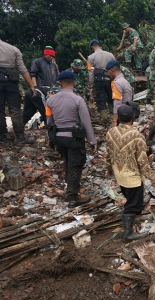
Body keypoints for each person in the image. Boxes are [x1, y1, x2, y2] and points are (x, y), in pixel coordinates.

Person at [105, 104, 155, 242]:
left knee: (132, 197)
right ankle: (128, 233)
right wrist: (152, 178)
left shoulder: (111, 132)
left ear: (118, 117)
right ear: (133, 117)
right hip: (132, 177)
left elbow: (108, 155)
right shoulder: (137, 136)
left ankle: (137, 207)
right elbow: (142, 161)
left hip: (119, 173)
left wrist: (109, 170)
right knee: (131, 205)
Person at [46, 71, 97, 208]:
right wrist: (92, 141)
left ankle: (69, 188)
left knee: (68, 162)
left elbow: (49, 122)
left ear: (60, 83)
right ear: (74, 82)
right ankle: (73, 197)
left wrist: (50, 139)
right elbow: (86, 122)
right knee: (76, 165)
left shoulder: (51, 100)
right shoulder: (78, 100)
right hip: (74, 138)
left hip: (59, 138)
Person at [0, 39, 36, 145]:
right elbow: (23, 69)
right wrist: (31, 86)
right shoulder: (13, 49)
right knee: (15, 111)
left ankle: (2, 139)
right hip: (11, 82)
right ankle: (20, 138)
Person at [22, 47, 60, 134]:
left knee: (30, 111)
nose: (51, 57)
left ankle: (20, 128)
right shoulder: (37, 62)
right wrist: (34, 87)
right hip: (40, 90)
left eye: (52, 56)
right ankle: (51, 131)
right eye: (50, 55)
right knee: (46, 111)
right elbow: (33, 74)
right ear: (45, 54)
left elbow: (57, 78)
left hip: (51, 90)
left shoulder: (53, 65)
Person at [88, 39, 115, 122]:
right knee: (111, 97)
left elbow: (91, 71)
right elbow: (115, 67)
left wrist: (91, 84)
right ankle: (113, 115)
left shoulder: (91, 57)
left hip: (98, 81)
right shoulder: (110, 55)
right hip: (109, 79)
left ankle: (105, 118)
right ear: (99, 45)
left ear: (92, 47)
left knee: (101, 99)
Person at [106, 59, 132, 126]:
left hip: (122, 114)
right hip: (128, 112)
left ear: (112, 70)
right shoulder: (124, 81)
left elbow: (117, 102)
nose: (107, 73)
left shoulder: (117, 83)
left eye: (107, 71)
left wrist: (115, 120)